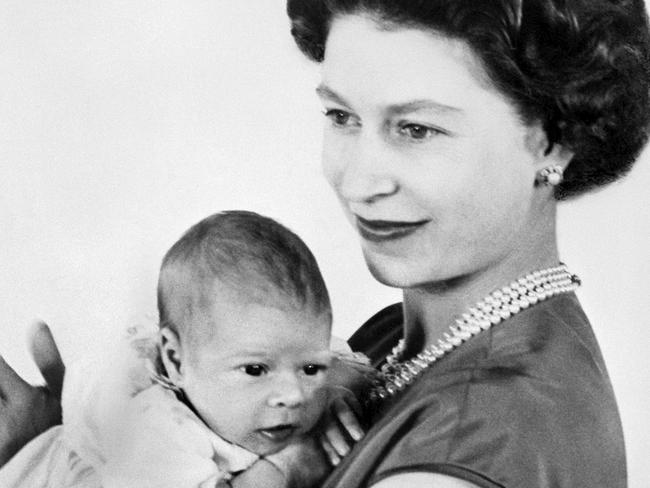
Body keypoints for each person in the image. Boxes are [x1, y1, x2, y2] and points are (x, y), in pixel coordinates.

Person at [1, 0, 649, 486]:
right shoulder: (385, 342)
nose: (360, 179)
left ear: (552, 141)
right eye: (342, 117)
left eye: (416, 128)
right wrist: (61, 449)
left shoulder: (475, 447)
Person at [0, 210, 370, 488]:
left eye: (309, 369)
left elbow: (354, 367)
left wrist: (340, 392)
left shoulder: (271, 353)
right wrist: (286, 468)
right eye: (256, 370)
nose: (292, 396)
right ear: (177, 361)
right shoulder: (161, 434)